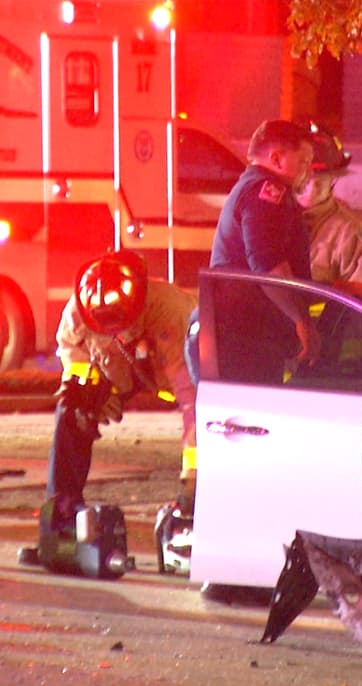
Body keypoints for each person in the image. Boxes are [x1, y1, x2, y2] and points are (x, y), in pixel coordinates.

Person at [47, 251, 197, 551]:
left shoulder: (170, 311)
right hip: (118, 372)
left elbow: (193, 401)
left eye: (120, 325)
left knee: (209, 421)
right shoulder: (79, 310)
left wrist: (193, 477)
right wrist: (88, 388)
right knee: (72, 410)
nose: (114, 332)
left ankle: (200, 510)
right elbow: (72, 353)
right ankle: (61, 515)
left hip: (169, 372)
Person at [208, 119, 320, 383]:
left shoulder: (253, 187)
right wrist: (301, 320)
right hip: (246, 338)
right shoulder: (267, 192)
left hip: (243, 334)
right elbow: (267, 264)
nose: (308, 170)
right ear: (277, 159)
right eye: (303, 161)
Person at [298, 124, 362, 301]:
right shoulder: (266, 221)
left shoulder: (351, 234)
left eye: (321, 180)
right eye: (305, 179)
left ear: (334, 179)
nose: (312, 189)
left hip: (322, 328)